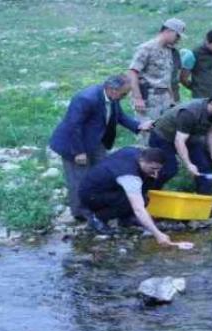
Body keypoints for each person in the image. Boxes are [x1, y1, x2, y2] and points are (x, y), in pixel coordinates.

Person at [49, 75, 153, 222]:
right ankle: (81, 213)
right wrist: (78, 152)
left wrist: (138, 126)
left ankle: (98, 209)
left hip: (96, 141)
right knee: (79, 178)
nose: (125, 96)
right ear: (112, 89)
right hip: (74, 143)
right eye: (124, 93)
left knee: (102, 174)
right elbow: (74, 126)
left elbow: (120, 116)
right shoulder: (86, 98)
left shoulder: (113, 98)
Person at [79, 146, 191, 248]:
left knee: (144, 195)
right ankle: (97, 218)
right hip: (91, 195)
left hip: (108, 186)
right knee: (136, 201)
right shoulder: (129, 176)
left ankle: (125, 219)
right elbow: (139, 209)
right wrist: (158, 234)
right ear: (142, 161)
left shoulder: (135, 152)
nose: (156, 174)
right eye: (153, 169)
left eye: (158, 169)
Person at [149, 91, 212, 195]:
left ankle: (205, 200)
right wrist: (188, 164)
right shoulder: (189, 112)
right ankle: (149, 192)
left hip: (190, 137)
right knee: (169, 169)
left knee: (203, 167)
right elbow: (179, 141)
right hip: (163, 137)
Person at [128, 18, 185, 145]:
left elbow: (167, 77)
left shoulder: (169, 50)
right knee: (147, 134)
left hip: (164, 97)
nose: (178, 39)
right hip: (148, 97)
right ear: (169, 31)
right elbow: (132, 72)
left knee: (164, 133)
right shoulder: (146, 48)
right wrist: (137, 98)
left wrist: (172, 99)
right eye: (177, 35)